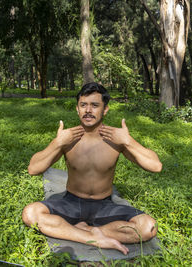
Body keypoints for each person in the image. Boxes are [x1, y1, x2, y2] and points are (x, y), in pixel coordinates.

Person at [21, 82, 162, 255]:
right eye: (83, 105)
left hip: (104, 206)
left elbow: (156, 166)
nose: (88, 110)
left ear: (105, 110)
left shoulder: (115, 140)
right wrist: (57, 143)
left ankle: (81, 230)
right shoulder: (69, 138)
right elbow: (33, 169)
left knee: (148, 227)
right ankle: (93, 237)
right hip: (71, 203)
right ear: (77, 109)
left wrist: (128, 141)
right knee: (30, 213)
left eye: (95, 105)